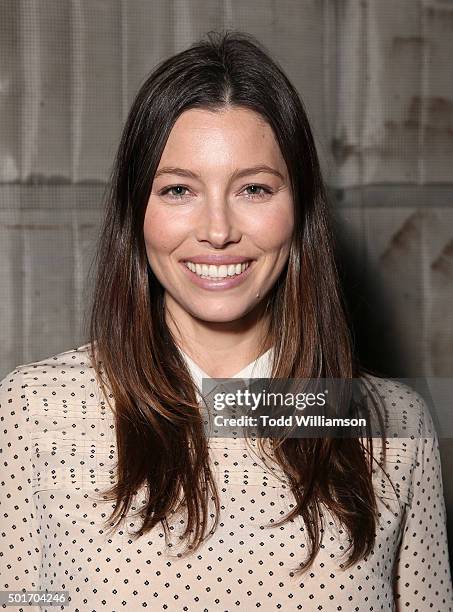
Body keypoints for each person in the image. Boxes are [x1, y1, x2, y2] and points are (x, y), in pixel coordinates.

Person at [1, 30, 452, 612]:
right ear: (137, 213)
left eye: (254, 188)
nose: (217, 229)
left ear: (300, 210)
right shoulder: (34, 410)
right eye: (180, 189)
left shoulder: (392, 424)